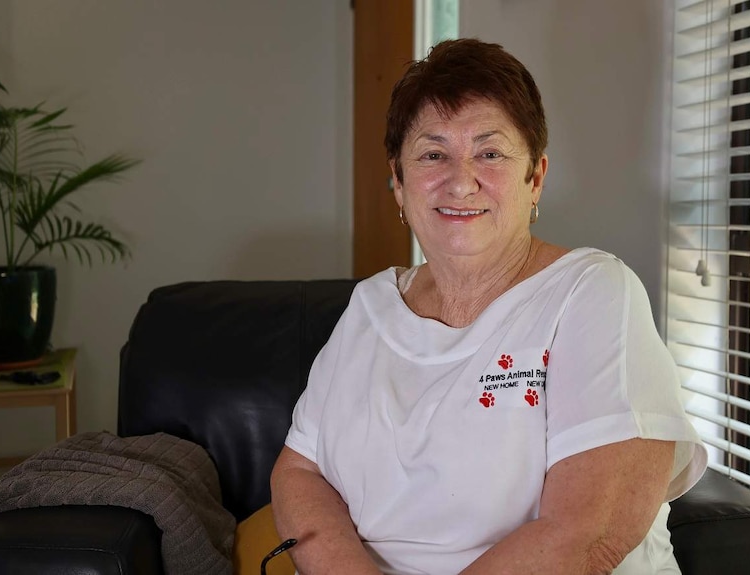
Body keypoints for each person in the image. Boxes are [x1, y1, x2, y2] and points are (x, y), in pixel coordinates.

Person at [270, 38, 706, 575]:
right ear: (399, 184)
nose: (461, 180)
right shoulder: (370, 305)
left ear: (536, 178)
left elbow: (587, 535)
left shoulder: (591, 292)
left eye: (490, 153)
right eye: (433, 154)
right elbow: (299, 472)